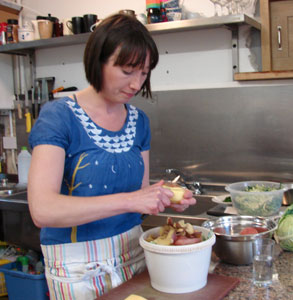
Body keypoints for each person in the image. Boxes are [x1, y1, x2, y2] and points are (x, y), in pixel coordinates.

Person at [27, 13, 196, 300]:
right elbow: (43, 211)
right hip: (77, 269)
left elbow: (138, 196)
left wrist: (162, 196)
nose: (136, 84)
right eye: (128, 70)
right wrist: (131, 200)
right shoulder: (58, 117)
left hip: (133, 255)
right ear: (98, 61)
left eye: (143, 73)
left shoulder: (138, 121)